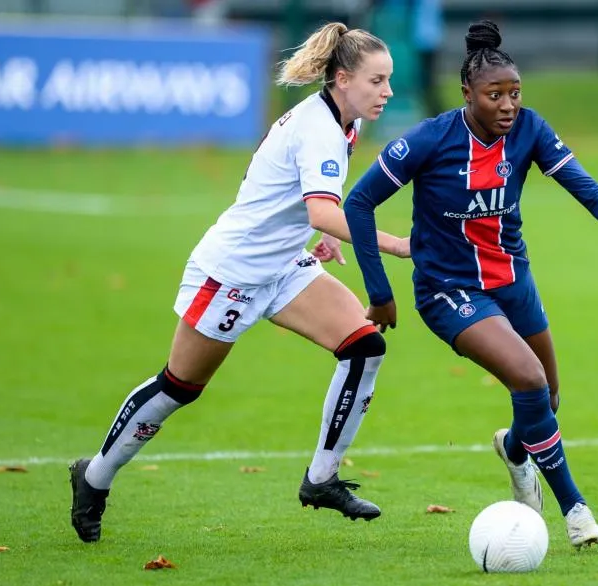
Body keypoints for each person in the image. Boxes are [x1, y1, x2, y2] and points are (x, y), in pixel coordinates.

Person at [343, 20, 598, 549]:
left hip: (514, 284)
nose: (508, 105)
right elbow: (358, 202)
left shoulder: (531, 130)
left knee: (545, 401)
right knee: (530, 380)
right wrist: (380, 292)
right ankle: (575, 510)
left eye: (514, 93)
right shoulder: (428, 139)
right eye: (495, 95)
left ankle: (515, 449)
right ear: (468, 94)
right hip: (448, 291)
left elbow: (592, 193)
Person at [69, 22, 408, 543]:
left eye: (388, 81)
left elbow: (311, 203)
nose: (387, 91)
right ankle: (94, 477)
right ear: (342, 79)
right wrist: (393, 243)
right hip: (229, 274)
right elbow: (322, 210)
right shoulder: (319, 126)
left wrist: (322, 233)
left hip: (282, 267)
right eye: (377, 81)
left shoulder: (345, 122)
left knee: (364, 346)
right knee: (180, 387)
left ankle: (321, 479)